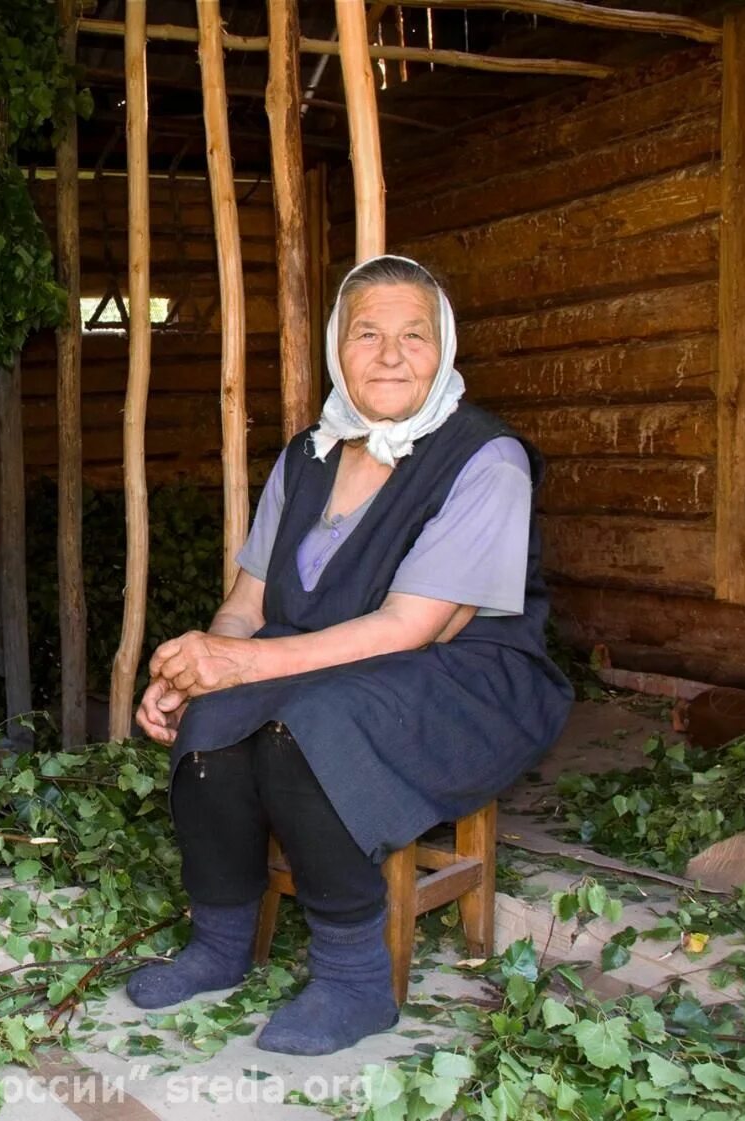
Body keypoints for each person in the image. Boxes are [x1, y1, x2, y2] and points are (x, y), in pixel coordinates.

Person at [125, 255, 572, 1056]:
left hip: (467, 676)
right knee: (217, 718)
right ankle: (221, 942)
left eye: (414, 335)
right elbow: (248, 604)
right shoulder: (309, 454)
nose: (391, 354)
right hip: (333, 662)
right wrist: (197, 665)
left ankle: (354, 978)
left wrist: (243, 664)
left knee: (310, 729)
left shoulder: (484, 457)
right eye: (368, 333)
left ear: (446, 350)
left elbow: (414, 625)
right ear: (339, 347)